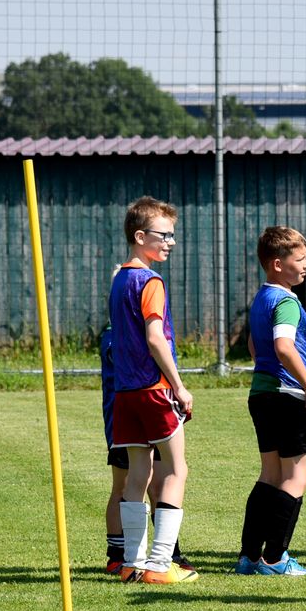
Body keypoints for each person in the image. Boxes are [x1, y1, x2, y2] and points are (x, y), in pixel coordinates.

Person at [108, 196, 197, 584]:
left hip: (125, 392)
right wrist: (179, 386)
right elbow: (155, 338)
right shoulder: (150, 281)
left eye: (173, 235)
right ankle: (160, 564)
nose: (170, 242)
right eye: (164, 235)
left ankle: (132, 563)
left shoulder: (119, 279)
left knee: (137, 474)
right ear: (140, 236)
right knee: (176, 469)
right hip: (154, 388)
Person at [235, 226, 306, 577]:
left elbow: (255, 347)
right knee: (296, 476)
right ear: (277, 264)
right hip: (289, 395)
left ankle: (249, 557)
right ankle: (275, 558)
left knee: (269, 475)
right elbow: (283, 347)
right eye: (299, 260)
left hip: (262, 394)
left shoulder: (262, 298)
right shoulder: (286, 301)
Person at [100, 321, 191, 576]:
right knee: (123, 485)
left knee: (159, 484)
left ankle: (167, 554)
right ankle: (118, 556)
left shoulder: (136, 330)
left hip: (151, 412)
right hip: (128, 417)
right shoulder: (117, 336)